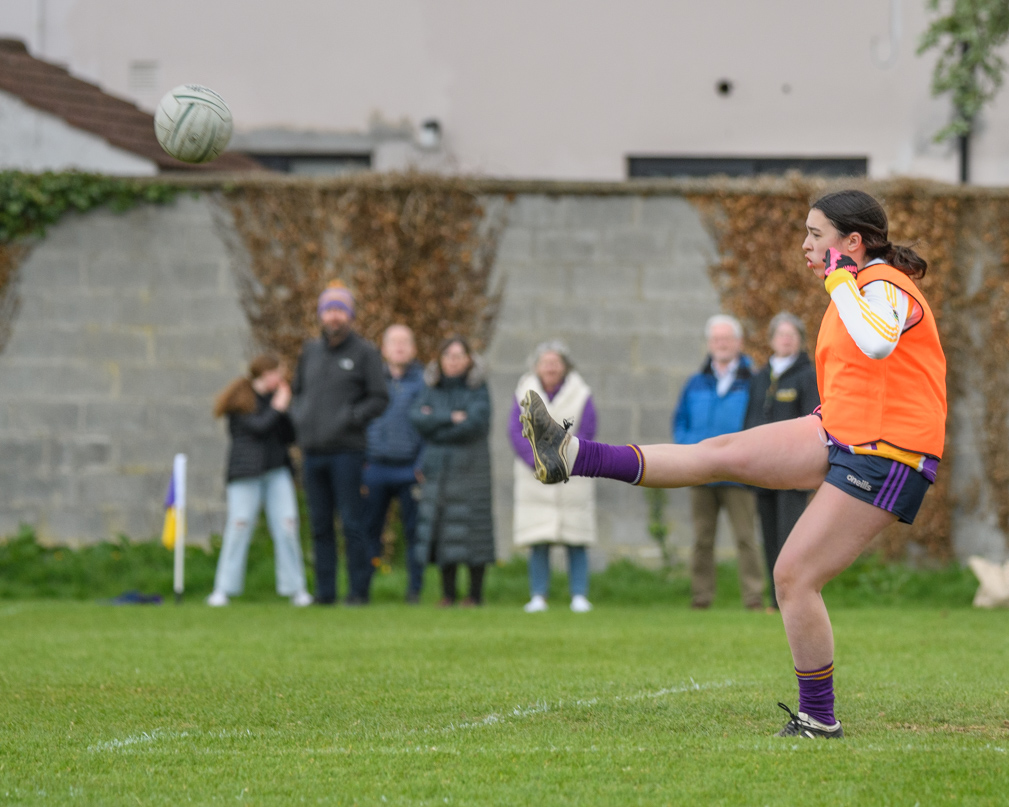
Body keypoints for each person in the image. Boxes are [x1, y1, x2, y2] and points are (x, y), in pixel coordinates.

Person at [520, 189, 946, 739]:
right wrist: (842, 283)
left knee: (794, 577)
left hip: (890, 454)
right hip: (842, 432)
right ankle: (573, 455)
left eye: (815, 235)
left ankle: (819, 718)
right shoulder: (860, 287)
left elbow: (880, 342)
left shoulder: (882, 284)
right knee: (717, 452)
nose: (804, 245)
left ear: (853, 242)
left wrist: (841, 278)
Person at [291, 282, 388, 606]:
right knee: (319, 526)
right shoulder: (310, 352)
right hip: (313, 452)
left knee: (351, 523)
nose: (334, 316)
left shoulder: (365, 353)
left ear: (350, 316)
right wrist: (301, 418)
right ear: (321, 315)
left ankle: (359, 591)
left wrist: (350, 417)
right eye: (329, 310)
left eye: (340, 310)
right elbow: (297, 394)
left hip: (347, 451)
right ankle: (325, 592)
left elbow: (379, 398)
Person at [672, 315, 763, 611]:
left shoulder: (754, 380)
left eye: (727, 339)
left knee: (746, 538)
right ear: (710, 344)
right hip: (701, 473)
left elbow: (762, 422)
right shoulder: (695, 382)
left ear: (738, 343)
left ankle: (753, 597)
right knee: (702, 539)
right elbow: (680, 422)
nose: (721, 344)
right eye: (716, 340)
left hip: (740, 472)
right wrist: (690, 451)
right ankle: (701, 596)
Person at [208, 354, 312, 607]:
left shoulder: (278, 401)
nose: (283, 378)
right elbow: (258, 428)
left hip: (277, 473)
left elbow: (290, 435)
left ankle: (295, 588)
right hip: (246, 474)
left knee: (287, 527)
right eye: (279, 372)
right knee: (240, 525)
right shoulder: (240, 400)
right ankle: (224, 588)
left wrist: (285, 411)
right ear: (266, 374)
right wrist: (278, 407)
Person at [509, 340, 597, 613]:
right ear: (536, 366)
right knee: (538, 539)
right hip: (533, 476)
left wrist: (563, 458)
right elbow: (515, 430)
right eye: (545, 363)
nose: (550, 367)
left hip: (573, 473)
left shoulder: (581, 393)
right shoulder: (523, 392)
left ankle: (579, 595)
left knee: (576, 538)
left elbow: (588, 429)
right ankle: (538, 595)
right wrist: (537, 460)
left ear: (565, 367)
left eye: (555, 362)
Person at [411, 336, 495, 606]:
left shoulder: (478, 388)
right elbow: (417, 418)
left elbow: (475, 423)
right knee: (442, 529)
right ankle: (447, 594)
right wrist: (449, 417)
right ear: (440, 360)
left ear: (469, 360)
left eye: (459, 355)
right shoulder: (430, 388)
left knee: (474, 531)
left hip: (473, 470)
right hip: (439, 470)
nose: (453, 361)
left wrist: (436, 424)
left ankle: (475, 595)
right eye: (448, 355)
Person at [744, 312, 820, 611]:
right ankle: (776, 599)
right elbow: (750, 419)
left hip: (792, 471)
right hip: (762, 469)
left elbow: (812, 419)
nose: (786, 339)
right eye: (781, 334)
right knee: (769, 533)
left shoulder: (807, 375)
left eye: (792, 334)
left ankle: (793, 595)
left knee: (791, 534)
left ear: (799, 340)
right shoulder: (761, 376)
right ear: (772, 339)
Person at [361, 324, 426, 604]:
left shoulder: (424, 382)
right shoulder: (369, 381)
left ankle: (414, 591)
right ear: (384, 349)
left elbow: (429, 428)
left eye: (405, 341)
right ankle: (361, 589)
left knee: (414, 532)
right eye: (393, 342)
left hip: (411, 469)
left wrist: (421, 464)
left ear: (413, 349)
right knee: (368, 530)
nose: (399, 347)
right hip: (375, 468)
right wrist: (363, 463)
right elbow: (360, 422)